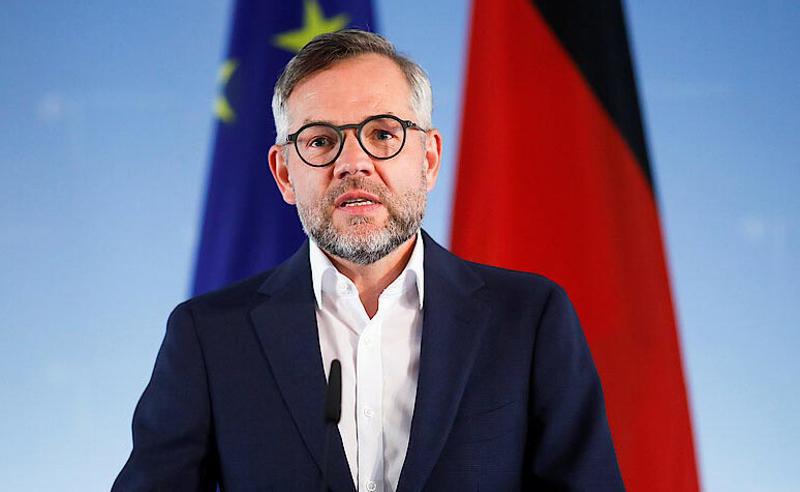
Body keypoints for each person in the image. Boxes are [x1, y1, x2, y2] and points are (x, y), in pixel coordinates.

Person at [113, 29, 623, 491]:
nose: (353, 162)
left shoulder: (529, 319)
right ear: (285, 174)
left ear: (428, 160)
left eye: (382, 134)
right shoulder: (208, 336)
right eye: (320, 141)